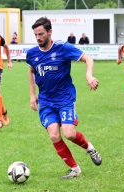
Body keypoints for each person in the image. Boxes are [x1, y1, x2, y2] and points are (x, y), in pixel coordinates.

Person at [26, 17, 102, 179]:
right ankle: (75, 169)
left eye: (41, 34)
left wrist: (89, 75)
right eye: (35, 35)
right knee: (54, 135)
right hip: (46, 100)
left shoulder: (63, 48)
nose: (38, 38)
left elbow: (88, 58)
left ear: (49, 32)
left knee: (69, 133)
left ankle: (89, 148)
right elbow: (31, 71)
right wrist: (33, 94)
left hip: (65, 98)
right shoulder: (32, 53)